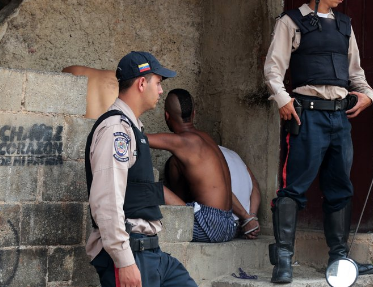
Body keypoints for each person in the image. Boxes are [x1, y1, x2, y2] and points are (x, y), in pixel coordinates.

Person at [263, 0, 373, 283]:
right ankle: (283, 261)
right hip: (305, 116)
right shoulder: (291, 22)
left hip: (339, 120)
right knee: (293, 188)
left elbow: (357, 74)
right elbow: (273, 68)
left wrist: (368, 95)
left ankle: (339, 261)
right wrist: (282, 99)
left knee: (340, 188)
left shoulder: (344, 26)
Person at [85, 51, 197, 287]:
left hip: (150, 252)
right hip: (131, 253)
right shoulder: (116, 130)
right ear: (142, 82)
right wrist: (124, 261)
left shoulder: (133, 128)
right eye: (158, 83)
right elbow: (107, 200)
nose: (160, 91)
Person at [147, 88, 237, 243]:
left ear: (166, 115)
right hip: (229, 223)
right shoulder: (205, 138)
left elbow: (138, 138)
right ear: (193, 113)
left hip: (211, 226)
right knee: (175, 163)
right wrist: (247, 217)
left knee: (147, 183)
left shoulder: (184, 142)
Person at [219, 145, 262, 239]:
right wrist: (252, 217)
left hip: (227, 223)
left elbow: (220, 189)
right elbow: (254, 184)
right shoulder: (233, 154)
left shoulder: (209, 154)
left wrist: (247, 218)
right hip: (242, 223)